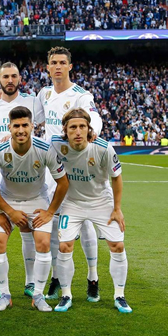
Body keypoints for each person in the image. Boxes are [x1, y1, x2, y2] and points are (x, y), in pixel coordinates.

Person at [0, 106, 68, 312]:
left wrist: (49, 212)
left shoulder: (45, 149)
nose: (21, 130)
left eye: (25, 125)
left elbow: (63, 182)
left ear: (33, 126)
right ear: (9, 127)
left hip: (36, 200)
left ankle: (38, 295)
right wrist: (7, 211)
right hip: (6, 201)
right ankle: (4, 294)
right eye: (16, 126)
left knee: (43, 242)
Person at [34, 47, 102, 302]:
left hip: (76, 167)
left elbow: (93, 115)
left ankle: (92, 277)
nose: (59, 66)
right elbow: (32, 119)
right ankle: (56, 278)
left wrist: (92, 129)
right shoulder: (44, 94)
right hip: (51, 170)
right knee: (52, 225)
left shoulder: (81, 95)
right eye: (54, 63)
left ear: (70, 66)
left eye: (63, 62)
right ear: (48, 67)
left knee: (83, 223)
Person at [50, 108, 132, 313]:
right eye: (73, 127)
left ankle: (119, 295)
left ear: (89, 129)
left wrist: (117, 209)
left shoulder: (103, 148)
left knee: (118, 245)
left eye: (82, 127)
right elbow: (35, 146)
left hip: (100, 201)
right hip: (73, 202)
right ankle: (66, 295)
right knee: (65, 246)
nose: (78, 131)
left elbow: (116, 178)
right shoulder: (56, 145)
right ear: (65, 130)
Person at [0, 62, 38, 301]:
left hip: (27, 173)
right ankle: (0, 285)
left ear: (19, 78)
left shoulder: (33, 101)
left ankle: (31, 283)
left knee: (28, 229)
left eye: (14, 76)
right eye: (5, 76)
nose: (10, 80)